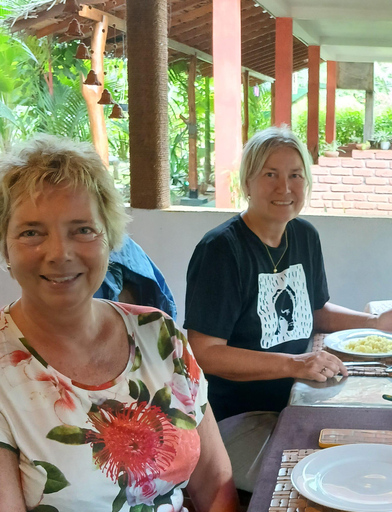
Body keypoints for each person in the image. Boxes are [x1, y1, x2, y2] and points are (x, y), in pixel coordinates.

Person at [0, 135, 238, 511]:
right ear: (5, 247)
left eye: (82, 229)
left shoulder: (161, 336)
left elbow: (217, 483)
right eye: (32, 232)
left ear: (109, 238)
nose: (60, 254)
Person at [184, 126, 392, 490]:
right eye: (270, 174)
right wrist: (294, 365)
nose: (285, 187)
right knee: (324, 479)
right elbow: (203, 352)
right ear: (247, 182)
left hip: (299, 401)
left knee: (383, 448)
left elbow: (317, 311)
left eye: (295, 175)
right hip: (239, 417)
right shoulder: (221, 251)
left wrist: (374, 323)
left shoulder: (304, 235)